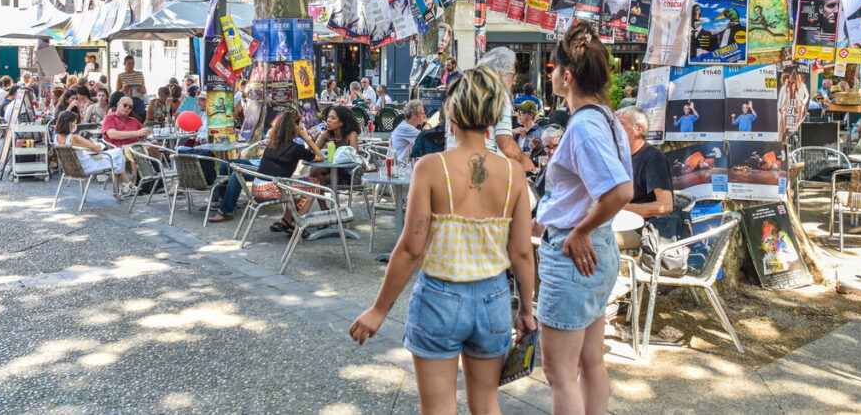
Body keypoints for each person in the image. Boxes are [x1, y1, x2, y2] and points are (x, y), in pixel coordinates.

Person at [349, 66, 536, 414]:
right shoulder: (513, 173)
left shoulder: (432, 168)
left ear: (450, 111)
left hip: (439, 298)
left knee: (438, 408)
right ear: (495, 116)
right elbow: (522, 252)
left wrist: (379, 309)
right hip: (494, 299)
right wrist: (526, 309)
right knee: (486, 404)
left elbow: (410, 249)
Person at [535, 22, 632, 414]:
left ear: (567, 76)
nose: (552, 75)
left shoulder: (586, 126)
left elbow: (620, 191)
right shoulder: (605, 117)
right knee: (590, 359)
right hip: (595, 250)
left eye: (554, 69)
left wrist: (579, 230)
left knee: (559, 372)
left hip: (576, 254)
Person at [208, 109, 324, 224]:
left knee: (299, 186)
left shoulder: (273, 142)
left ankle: (286, 221)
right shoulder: (295, 148)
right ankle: (297, 223)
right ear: (295, 127)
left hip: (256, 189)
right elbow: (320, 157)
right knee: (313, 184)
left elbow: (306, 154)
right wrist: (307, 138)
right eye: (300, 124)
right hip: (270, 190)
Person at [614, 107, 673, 247]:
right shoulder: (621, 157)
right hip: (618, 223)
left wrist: (621, 209)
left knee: (592, 239)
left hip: (643, 231)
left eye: (620, 124)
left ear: (638, 130)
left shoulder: (653, 158)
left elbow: (665, 206)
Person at [54, 110, 131, 187]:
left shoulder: (56, 138)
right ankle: (124, 185)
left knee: (116, 156)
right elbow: (97, 149)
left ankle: (125, 183)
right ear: (70, 124)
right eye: (75, 123)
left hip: (71, 169)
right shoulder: (74, 138)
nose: (76, 125)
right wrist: (94, 142)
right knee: (118, 153)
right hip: (87, 167)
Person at [116, 55, 148, 121]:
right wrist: (123, 89)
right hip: (126, 101)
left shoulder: (140, 74)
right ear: (124, 64)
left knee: (140, 118)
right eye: (129, 64)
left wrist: (140, 89)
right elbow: (117, 92)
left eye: (133, 63)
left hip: (138, 100)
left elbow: (145, 90)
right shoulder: (121, 76)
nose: (131, 65)